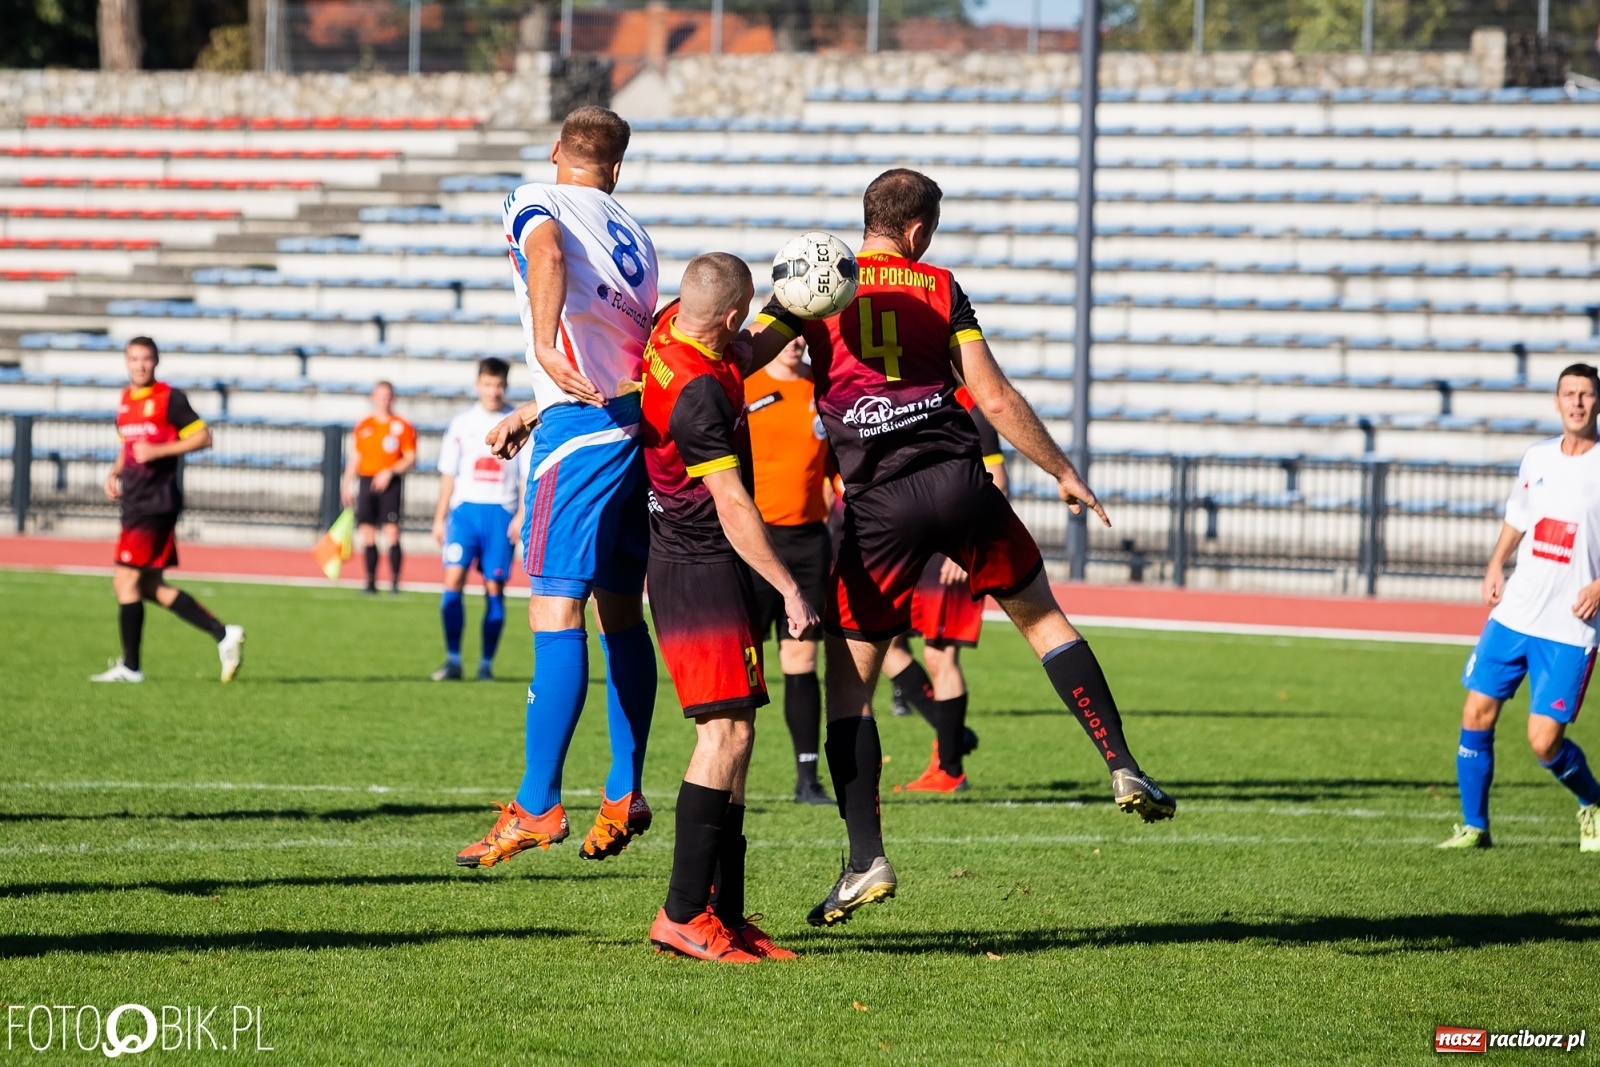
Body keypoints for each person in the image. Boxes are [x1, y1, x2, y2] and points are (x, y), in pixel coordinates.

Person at [746, 168, 1176, 928]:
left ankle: (864, 856)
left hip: (876, 503)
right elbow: (996, 397)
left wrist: (749, 325)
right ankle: (1122, 764)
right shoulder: (941, 285)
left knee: (852, 688)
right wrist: (1063, 471)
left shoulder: (818, 285)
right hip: (958, 478)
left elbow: (747, 358)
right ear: (917, 232)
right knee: (1044, 619)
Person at [456, 105, 660, 868]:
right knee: (620, 614)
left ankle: (538, 804)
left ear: (555, 151)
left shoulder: (533, 200)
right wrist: (533, 406)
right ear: (619, 165)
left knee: (553, 607)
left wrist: (539, 351)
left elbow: (545, 258)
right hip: (627, 430)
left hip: (579, 438)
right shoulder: (636, 236)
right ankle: (623, 786)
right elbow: (615, 354)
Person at [641, 254, 820, 962]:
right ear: (729, 314)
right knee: (724, 740)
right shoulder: (698, 395)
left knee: (737, 740)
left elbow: (750, 345)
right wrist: (787, 584)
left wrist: (799, 299)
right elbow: (733, 502)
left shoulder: (672, 329)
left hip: (696, 562)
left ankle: (726, 913)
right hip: (699, 566)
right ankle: (683, 913)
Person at [1440, 363, 1600, 853]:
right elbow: (1519, 516)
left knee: (1543, 742)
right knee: (1476, 712)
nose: (1577, 402)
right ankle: (1475, 827)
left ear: (1598, 403)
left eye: (1587, 395)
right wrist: (1495, 563)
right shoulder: (1536, 459)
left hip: (1571, 626)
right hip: (1517, 613)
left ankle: (1592, 801)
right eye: (1569, 393)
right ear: (1556, 402)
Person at [91, 336, 245, 683]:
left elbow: (204, 437)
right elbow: (128, 446)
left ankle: (131, 667)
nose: (140, 365)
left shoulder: (168, 398)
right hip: (135, 498)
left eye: (146, 359)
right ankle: (223, 633)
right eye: (134, 359)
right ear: (126, 362)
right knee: (148, 586)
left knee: (124, 581)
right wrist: (115, 472)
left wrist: (159, 452)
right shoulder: (126, 400)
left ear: (156, 361)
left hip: (154, 502)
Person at [886, 384, 1007, 792]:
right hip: (910, 544)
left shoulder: (970, 404)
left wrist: (967, 549)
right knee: (886, 644)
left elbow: (998, 480)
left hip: (951, 552)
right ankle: (951, 733)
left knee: (941, 657)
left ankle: (950, 768)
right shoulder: (909, 398)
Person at [744, 334, 836, 806]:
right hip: (754, 543)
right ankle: (730, 774)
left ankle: (807, 780)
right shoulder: (746, 385)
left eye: (804, 334)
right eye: (788, 333)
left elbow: (837, 461)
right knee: (744, 663)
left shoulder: (820, 389)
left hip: (807, 544)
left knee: (801, 659)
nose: (796, 342)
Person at [430, 358, 529, 682]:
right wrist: (440, 517)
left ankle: (486, 664)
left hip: (500, 514)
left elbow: (527, 476)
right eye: (487, 384)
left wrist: (521, 515)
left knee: (494, 587)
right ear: (478, 385)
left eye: (498, 385)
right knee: (453, 581)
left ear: (505, 387)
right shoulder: (462, 423)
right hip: (465, 513)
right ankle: (454, 658)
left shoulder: (517, 422)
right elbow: (449, 473)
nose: (493, 391)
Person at [341, 381, 417, 594]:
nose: (384, 400)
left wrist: (390, 471)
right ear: (373, 398)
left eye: (388, 396)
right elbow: (356, 456)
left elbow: (410, 457)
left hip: (390, 483)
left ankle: (394, 582)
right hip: (366, 480)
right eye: (380, 396)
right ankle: (370, 582)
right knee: (367, 532)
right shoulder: (364, 425)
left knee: (391, 532)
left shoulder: (402, 425)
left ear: (393, 398)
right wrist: (346, 483)